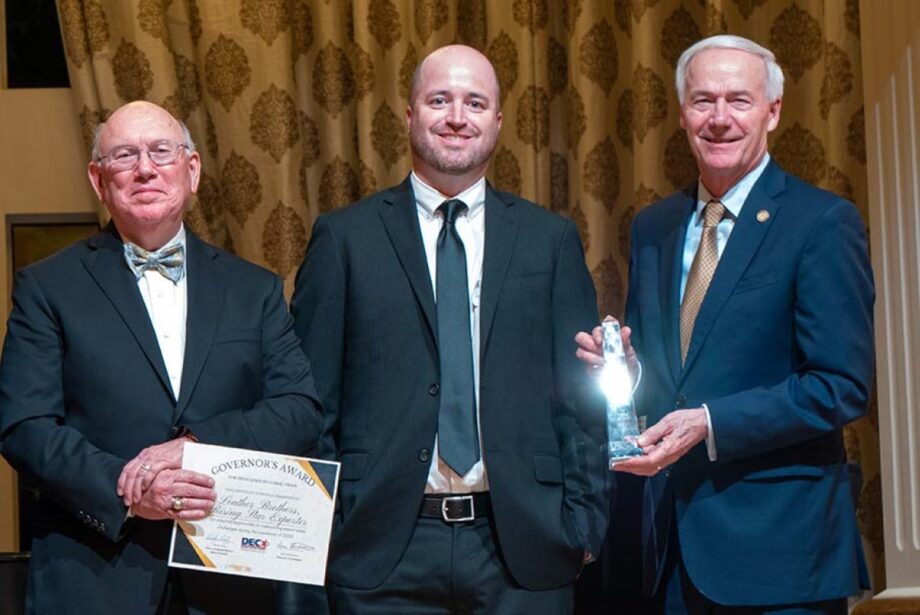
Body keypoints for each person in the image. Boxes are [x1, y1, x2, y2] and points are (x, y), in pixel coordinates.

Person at [290, 44, 608, 613]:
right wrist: (331, 527)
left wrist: (583, 528)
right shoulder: (344, 239)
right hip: (382, 551)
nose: (457, 117)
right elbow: (312, 403)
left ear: (498, 122)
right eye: (439, 100)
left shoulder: (549, 240)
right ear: (410, 114)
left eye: (475, 103)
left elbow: (580, 397)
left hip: (523, 548)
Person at [576, 35, 874, 614]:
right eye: (702, 100)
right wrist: (628, 367)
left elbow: (841, 385)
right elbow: (671, 377)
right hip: (666, 557)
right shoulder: (655, 227)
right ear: (682, 113)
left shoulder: (820, 223)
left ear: (773, 111)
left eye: (739, 100)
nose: (719, 119)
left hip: (780, 557)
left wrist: (711, 423)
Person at [0, 101, 323, 614]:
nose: (145, 168)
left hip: (229, 581)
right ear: (98, 178)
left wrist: (196, 447)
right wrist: (129, 490)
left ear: (192, 170)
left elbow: (301, 409)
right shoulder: (46, 287)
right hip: (95, 578)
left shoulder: (254, 289)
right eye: (125, 155)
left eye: (161, 151)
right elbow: (26, 427)